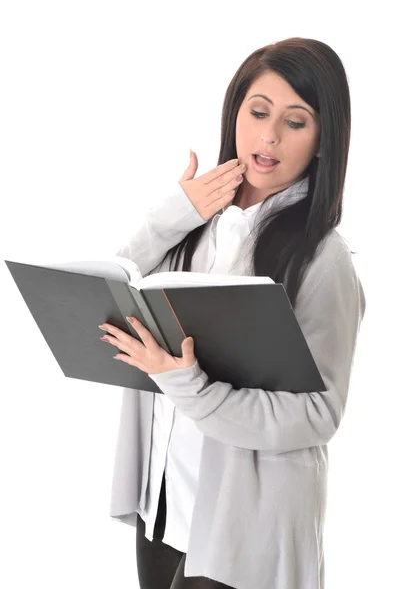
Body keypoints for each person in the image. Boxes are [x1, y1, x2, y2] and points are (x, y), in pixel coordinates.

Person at [104, 37, 366, 589]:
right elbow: (108, 293)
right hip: (167, 505)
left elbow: (319, 414)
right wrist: (176, 212)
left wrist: (190, 386)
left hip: (244, 527)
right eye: (259, 111)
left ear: (323, 141)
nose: (269, 136)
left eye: (296, 122)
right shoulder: (194, 224)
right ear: (236, 113)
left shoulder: (324, 259)